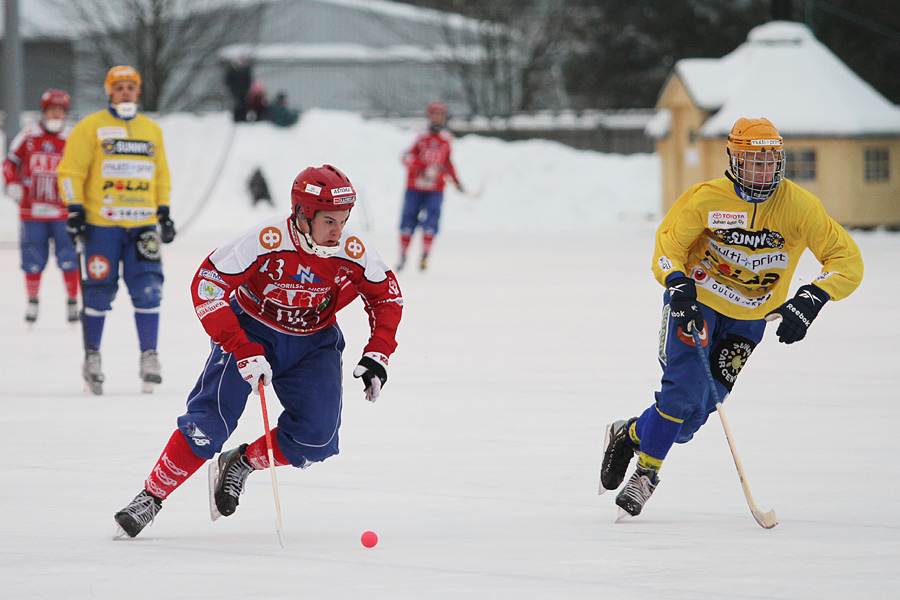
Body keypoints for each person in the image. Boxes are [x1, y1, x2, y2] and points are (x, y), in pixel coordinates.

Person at [112, 164, 403, 539]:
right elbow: (207, 285)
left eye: (344, 220)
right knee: (209, 425)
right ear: (302, 213)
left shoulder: (352, 250)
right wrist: (242, 347)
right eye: (329, 220)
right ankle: (150, 497)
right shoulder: (265, 239)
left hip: (313, 343)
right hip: (251, 330)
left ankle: (242, 462)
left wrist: (378, 353)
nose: (338, 231)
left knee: (316, 440)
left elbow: (387, 297)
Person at [598, 117, 863, 519]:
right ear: (734, 160)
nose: (764, 170)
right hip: (699, 304)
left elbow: (847, 260)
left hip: (749, 320)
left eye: (771, 161)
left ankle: (631, 433)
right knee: (682, 394)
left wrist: (812, 297)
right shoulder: (707, 199)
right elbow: (668, 244)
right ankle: (647, 475)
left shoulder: (799, 207)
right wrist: (676, 283)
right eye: (754, 161)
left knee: (693, 417)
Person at [57, 65, 176, 395]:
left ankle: (149, 356)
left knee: (149, 288)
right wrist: (75, 209)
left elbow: (161, 175)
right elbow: (69, 171)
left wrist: (164, 212)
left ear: (138, 92)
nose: (125, 91)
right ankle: (92, 356)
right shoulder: (91, 127)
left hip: (142, 227)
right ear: (109, 92)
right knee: (98, 290)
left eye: (130, 86)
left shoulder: (151, 130)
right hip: (101, 225)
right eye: (119, 86)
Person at [3, 89, 80, 325]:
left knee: (68, 257)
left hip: (63, 212)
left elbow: (83, 169)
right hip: (32, 210)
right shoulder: (28, 136)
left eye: (60, 110)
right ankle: (33, 301)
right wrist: (12, 184)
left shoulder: (72, 138)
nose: (56, 114)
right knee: (33, 257)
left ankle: (72, 302)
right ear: (43, 111)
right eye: (52, 110)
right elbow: (9, 163)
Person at [397, 101, 464, 271]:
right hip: (415, 188)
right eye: (434, 114)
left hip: (435, 189)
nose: (437, 118)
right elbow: (406, 157)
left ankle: (424, 256)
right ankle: (403, 255)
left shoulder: (446, 139)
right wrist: (423, 167)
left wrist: (456, 180)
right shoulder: (419, 136)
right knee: (408, 219)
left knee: (431, 221)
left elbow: (447, 162)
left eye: (440, 115)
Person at [225, 58, 252, 122]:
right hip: (235, 91)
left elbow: (248, 82)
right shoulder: (232, 71)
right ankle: (237, 118)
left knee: (244, 105)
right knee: (237, 105)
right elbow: (228, 81)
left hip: (244, 92)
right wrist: (232, 89)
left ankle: (243, 118)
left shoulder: (246, 71)